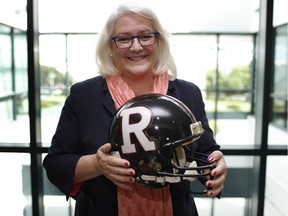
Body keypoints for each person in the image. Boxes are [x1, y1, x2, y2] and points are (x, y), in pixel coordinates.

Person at [43, 3, 227, 216]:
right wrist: (97, 164)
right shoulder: (83, 95)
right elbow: (56, 164)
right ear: (109, 47)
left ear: (159, 41)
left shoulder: (188, 93)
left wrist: (215, 167)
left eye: (145, 36)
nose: (136, 47)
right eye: (123, 39)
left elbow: (205, 152)